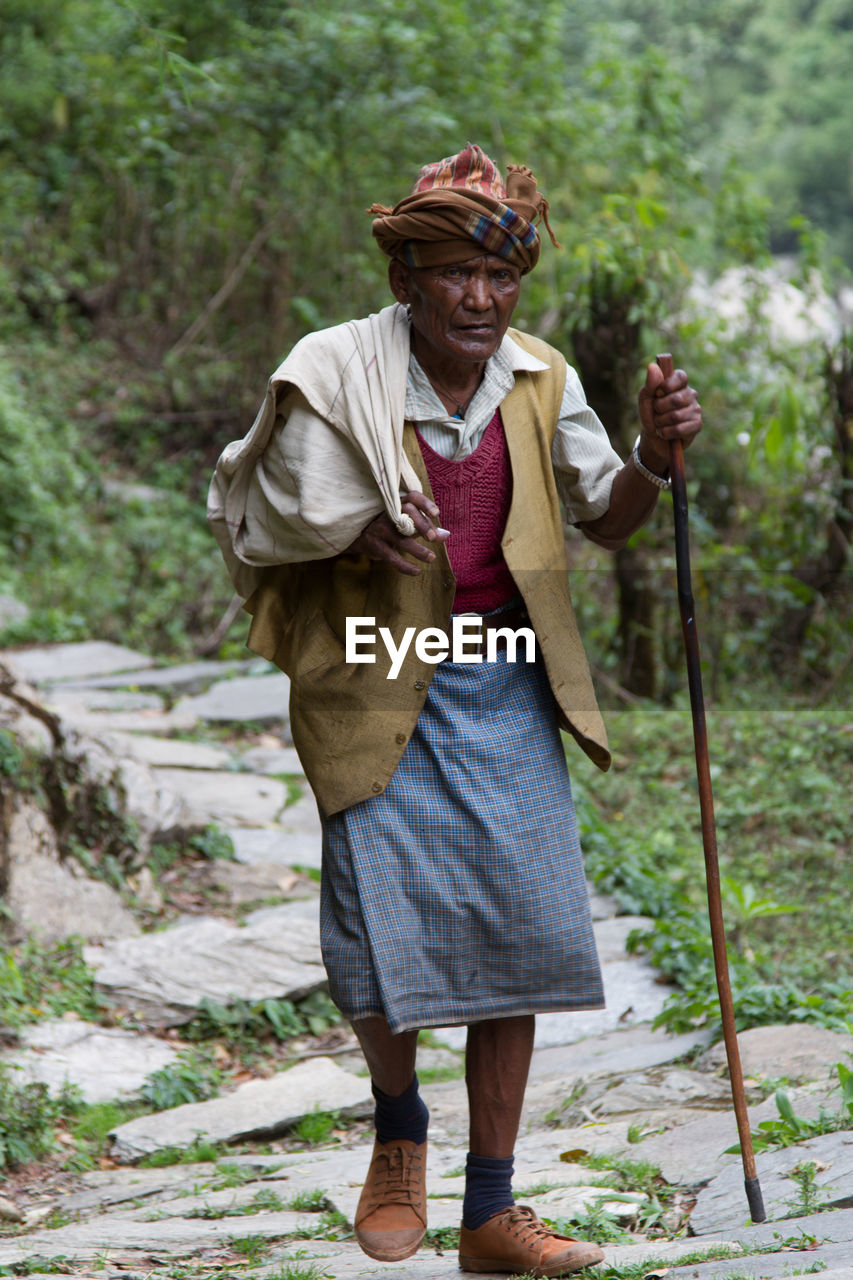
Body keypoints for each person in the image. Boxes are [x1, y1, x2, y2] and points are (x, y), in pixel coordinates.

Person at [208, 142, 702, 1277]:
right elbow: (277, 505)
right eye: (453, 274)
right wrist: (351, 525)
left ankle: (491, 1212)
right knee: (373, 928)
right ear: (405, 281)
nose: (479, 299)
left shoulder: (539, 378)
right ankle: (398, 1127)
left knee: (519, 931)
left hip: (502, 674)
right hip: (373, 671)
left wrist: (656, 456)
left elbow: (609, 515)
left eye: (499, 276)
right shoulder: (334, 372)